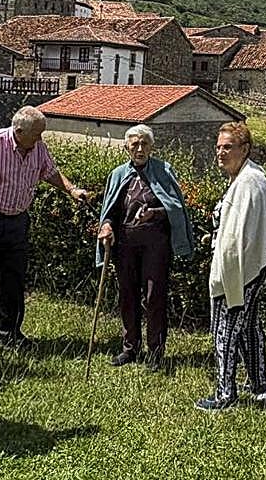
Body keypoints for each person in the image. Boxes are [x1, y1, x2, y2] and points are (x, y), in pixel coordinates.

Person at [0, 106, 89, 356]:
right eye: (37, 134)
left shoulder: (37, 147)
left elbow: (51, 172)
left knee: (13, 280)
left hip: (17, 221)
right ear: (19, 130)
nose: (40, 139)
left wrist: (71, 189)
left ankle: (10, 334)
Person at [96, 124, 194, 371]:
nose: (140, 149)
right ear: (126, 146)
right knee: (127, 295)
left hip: (155, 244)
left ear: (152, 146)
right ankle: (130, 348)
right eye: (135, 144)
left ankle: (156, 352)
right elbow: (110, 210)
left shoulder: (163, 170)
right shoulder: (118, 174)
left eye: (144, 144)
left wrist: (154, 213)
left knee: (154, 297)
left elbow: (176, 208)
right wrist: (106, 225)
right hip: (125, 244)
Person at [196, 122, 266, 411]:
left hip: (241, 270)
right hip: (251, 266)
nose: (220, 152)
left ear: (245, 149)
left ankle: (224, 395)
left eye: (227, 147)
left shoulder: (250, 182)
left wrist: (231, 282)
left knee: (226, 330)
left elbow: (240, 240)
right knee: (249, 327)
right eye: (218, 147)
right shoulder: (244, 178)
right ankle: (260, 386)